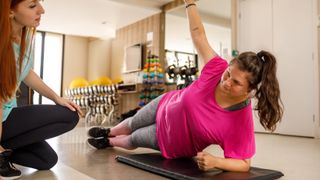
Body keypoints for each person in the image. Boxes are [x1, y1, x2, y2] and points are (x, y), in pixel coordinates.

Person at [87, 0, 283, 172]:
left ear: (250, 91)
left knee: (134, 138)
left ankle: (108, 142)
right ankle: (109, 131)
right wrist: (190, 3)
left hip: (171, 138)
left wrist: (217, 162)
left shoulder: (240, 119)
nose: (226, 81)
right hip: (165, 103)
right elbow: (199, 36)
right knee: (132, 122)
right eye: (229, 73)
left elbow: (244, 163)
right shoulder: (217, 67)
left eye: (236, 83)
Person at [0, 0, 82, 179]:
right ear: (10, 12)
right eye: (32, 6)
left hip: (7, 115)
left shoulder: (25, 36)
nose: (42, 10)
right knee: (68, 116)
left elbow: (26, 72)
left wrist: (56, 97)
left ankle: (5, 146)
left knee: (46, 160)